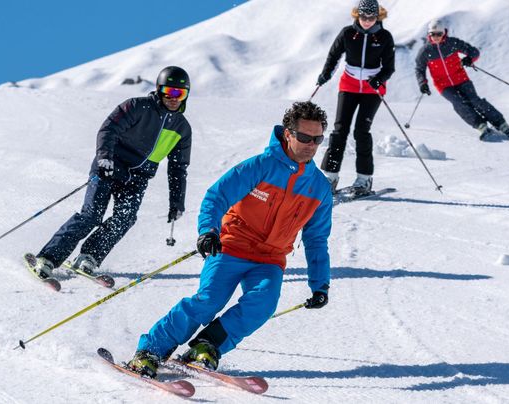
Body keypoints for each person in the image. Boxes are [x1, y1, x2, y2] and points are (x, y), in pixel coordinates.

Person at [126, 101, 333, 377]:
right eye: (305, 137)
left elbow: (317, 239)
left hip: (270, 259)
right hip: (231, 245)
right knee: (208, 300)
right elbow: (217, 196)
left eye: (317, 139)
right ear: (288, 134)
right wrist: (208, 231)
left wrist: (320, 284)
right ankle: (150, 350)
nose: (311, 145)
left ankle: (207, 346)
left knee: (263, 304)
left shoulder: (319, 187)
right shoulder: (260, 167)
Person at [29, 66, 192, 278]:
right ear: (159, 90)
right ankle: (48, 258)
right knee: (91, 215)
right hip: (110, 166)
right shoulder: (137, 106)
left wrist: (176, 202)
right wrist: (104, 157)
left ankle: (89, 256)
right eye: (169, 92)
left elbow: (178, 168)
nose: (173, 98)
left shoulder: (182, 128)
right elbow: (109, 129)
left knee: (126, 218)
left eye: (180, 93)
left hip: (137, 178)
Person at [316, 0, 395, 195]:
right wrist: (326, 74)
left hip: (372, 89)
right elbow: (333, 56)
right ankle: (330, 177)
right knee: (339, 129)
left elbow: (389, 67)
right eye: (363, 17)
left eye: (371, 17)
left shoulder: (384, 37)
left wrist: (379, 80)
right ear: (357, 15)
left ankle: (364, 180)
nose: (367, 21)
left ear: (378, 16)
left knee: (361, 131)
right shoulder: (347, 33)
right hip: (349, 86)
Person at [415, 19, 509, 140]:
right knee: (458, 103)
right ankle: (481, 126)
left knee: (474, 100)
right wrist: (423, 83)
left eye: (439, 34)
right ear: (429, 34)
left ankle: (502, 125)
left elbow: (474, 52)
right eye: (433, 34)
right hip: (443, 85)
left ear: (444, 33)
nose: (436, 37)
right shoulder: (425, 51)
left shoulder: (452, 43)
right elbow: (419, 68)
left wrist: (469, 59)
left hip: (461, 78)